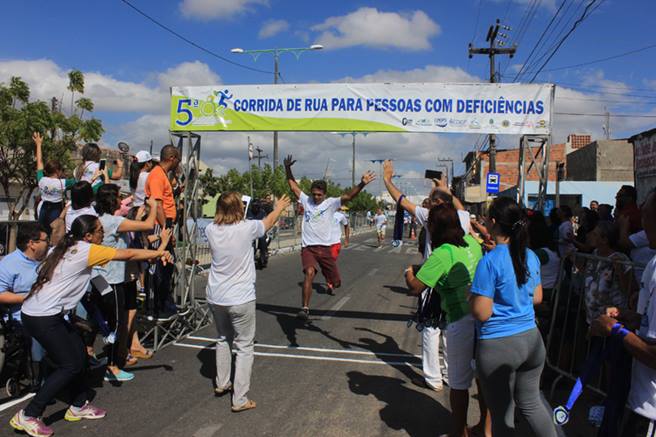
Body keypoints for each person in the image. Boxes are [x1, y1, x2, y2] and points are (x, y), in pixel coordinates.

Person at [10, 215, 172, 437]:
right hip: (42, 316)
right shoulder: (86, 250)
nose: (103, 233)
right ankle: (29, 414)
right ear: (88, 235)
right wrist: (160, 251)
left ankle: (78, 405)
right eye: (99, 230)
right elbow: (129, 254)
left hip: (44, 313)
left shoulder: (67, 247)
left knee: (79, 355)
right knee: (70, 365)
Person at [470, 197, 556, 437]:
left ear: (494, 222)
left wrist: (472, 296)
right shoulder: (529, 255)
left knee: (502, 415)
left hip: (499, 344)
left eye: (487, 217)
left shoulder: (489, 262)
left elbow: (482, 312)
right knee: (532, 403)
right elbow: (537, 296)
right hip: (531, 339)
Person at [383, 159, 469, 392]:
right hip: (456, 280)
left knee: (431, 328)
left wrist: (387, 180)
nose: (429, 202)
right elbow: (456, 204)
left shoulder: (429, 216)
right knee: (451, 328)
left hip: (432, 280)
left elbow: (402, 200)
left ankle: (432, 378)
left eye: (433, 200)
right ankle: (452, 374)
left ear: (436, 205)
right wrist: (445, 188)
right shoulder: (463, 218)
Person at [205, 192, 290, 412]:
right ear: (239, 209)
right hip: (240, 297)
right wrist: (278, 206)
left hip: (216, 295)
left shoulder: (210, 230)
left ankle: (222, 382)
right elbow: (268, 222)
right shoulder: (247, 228)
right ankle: (240, 399)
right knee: (244, 346)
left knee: (223, 337)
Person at [404, 204, 483, 437]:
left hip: (459, 321)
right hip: (480, 316)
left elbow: (416, 287)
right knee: (481, 378)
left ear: (435, 227)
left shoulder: (442, 253)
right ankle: (485, 429)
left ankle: (460, 432)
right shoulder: (471, 243)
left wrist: (408, 271)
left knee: (458, 386)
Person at [590, 189, 656, 436]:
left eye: (647, 216)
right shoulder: (653, 262)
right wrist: (634, 318)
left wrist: (613, 329)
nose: (643, 223)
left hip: (649, 411)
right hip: (640, 403)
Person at [284, 155, 375, 321]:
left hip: (325, 249)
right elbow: (293, 186)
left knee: (336, 282)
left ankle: (333, 280)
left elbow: (349, 196)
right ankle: (305, 308)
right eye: (314, 194)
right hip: (309, 248)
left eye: (319, 195)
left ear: (325, 194)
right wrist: (287, 168)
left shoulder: (331, 203)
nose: (316, 197)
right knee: (309, 273)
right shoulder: (306, 200)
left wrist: (362, 183)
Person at [95, 184, 159, 382]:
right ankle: (112, 366)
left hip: (101, 277)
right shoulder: (114, 222)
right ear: (113, 201)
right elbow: (148, 225)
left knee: (107, 323)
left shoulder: (99, 220)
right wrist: (154, 206)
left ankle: (110, 360)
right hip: (113, 279)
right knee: (116, 323)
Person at [0, 223, 49, 391]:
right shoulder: (9, 264)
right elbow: (0, 294)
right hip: (23, 314)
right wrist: (27, 298)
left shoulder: (47, 258)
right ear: (32, 243)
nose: (48, 243)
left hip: (50, 308)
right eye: (45, 240)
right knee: (40, 334)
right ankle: (38, 378)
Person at [145, 144, 181, 319]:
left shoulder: (162, 175)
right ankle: (158, 307)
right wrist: (166, 229)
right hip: (160, 225)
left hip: (165, 224)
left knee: (168, 266)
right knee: (160, 267)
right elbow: (157, 204)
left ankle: (165, 305)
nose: (178, 164)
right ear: (172, 158)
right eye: (178, 160)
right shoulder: (157, 175)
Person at [583, 221, 632, 325]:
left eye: (595, 234)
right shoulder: (594, 254)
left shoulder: (620, 259)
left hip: (611, 322)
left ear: (605, 240)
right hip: (593, 319)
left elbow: (629, 289)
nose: (590, 235)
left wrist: (620, 271)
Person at [33, 132, 76, 234]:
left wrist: (38, 144)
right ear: (57, 171)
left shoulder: (41, 180)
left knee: (43, 233)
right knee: (56, 234)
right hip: (56, 211)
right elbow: (80, 180)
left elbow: (39, 161)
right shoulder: (64, 182)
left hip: (43, 210)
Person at [326, 207, 350, 295]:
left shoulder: (340, 216)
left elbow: (346, 225)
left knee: (330, 263)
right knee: (326, 264)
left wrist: (347, 239)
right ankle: (330, 283)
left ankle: (333, 281)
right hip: (324, 244)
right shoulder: (323, 215)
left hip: (335, 244)